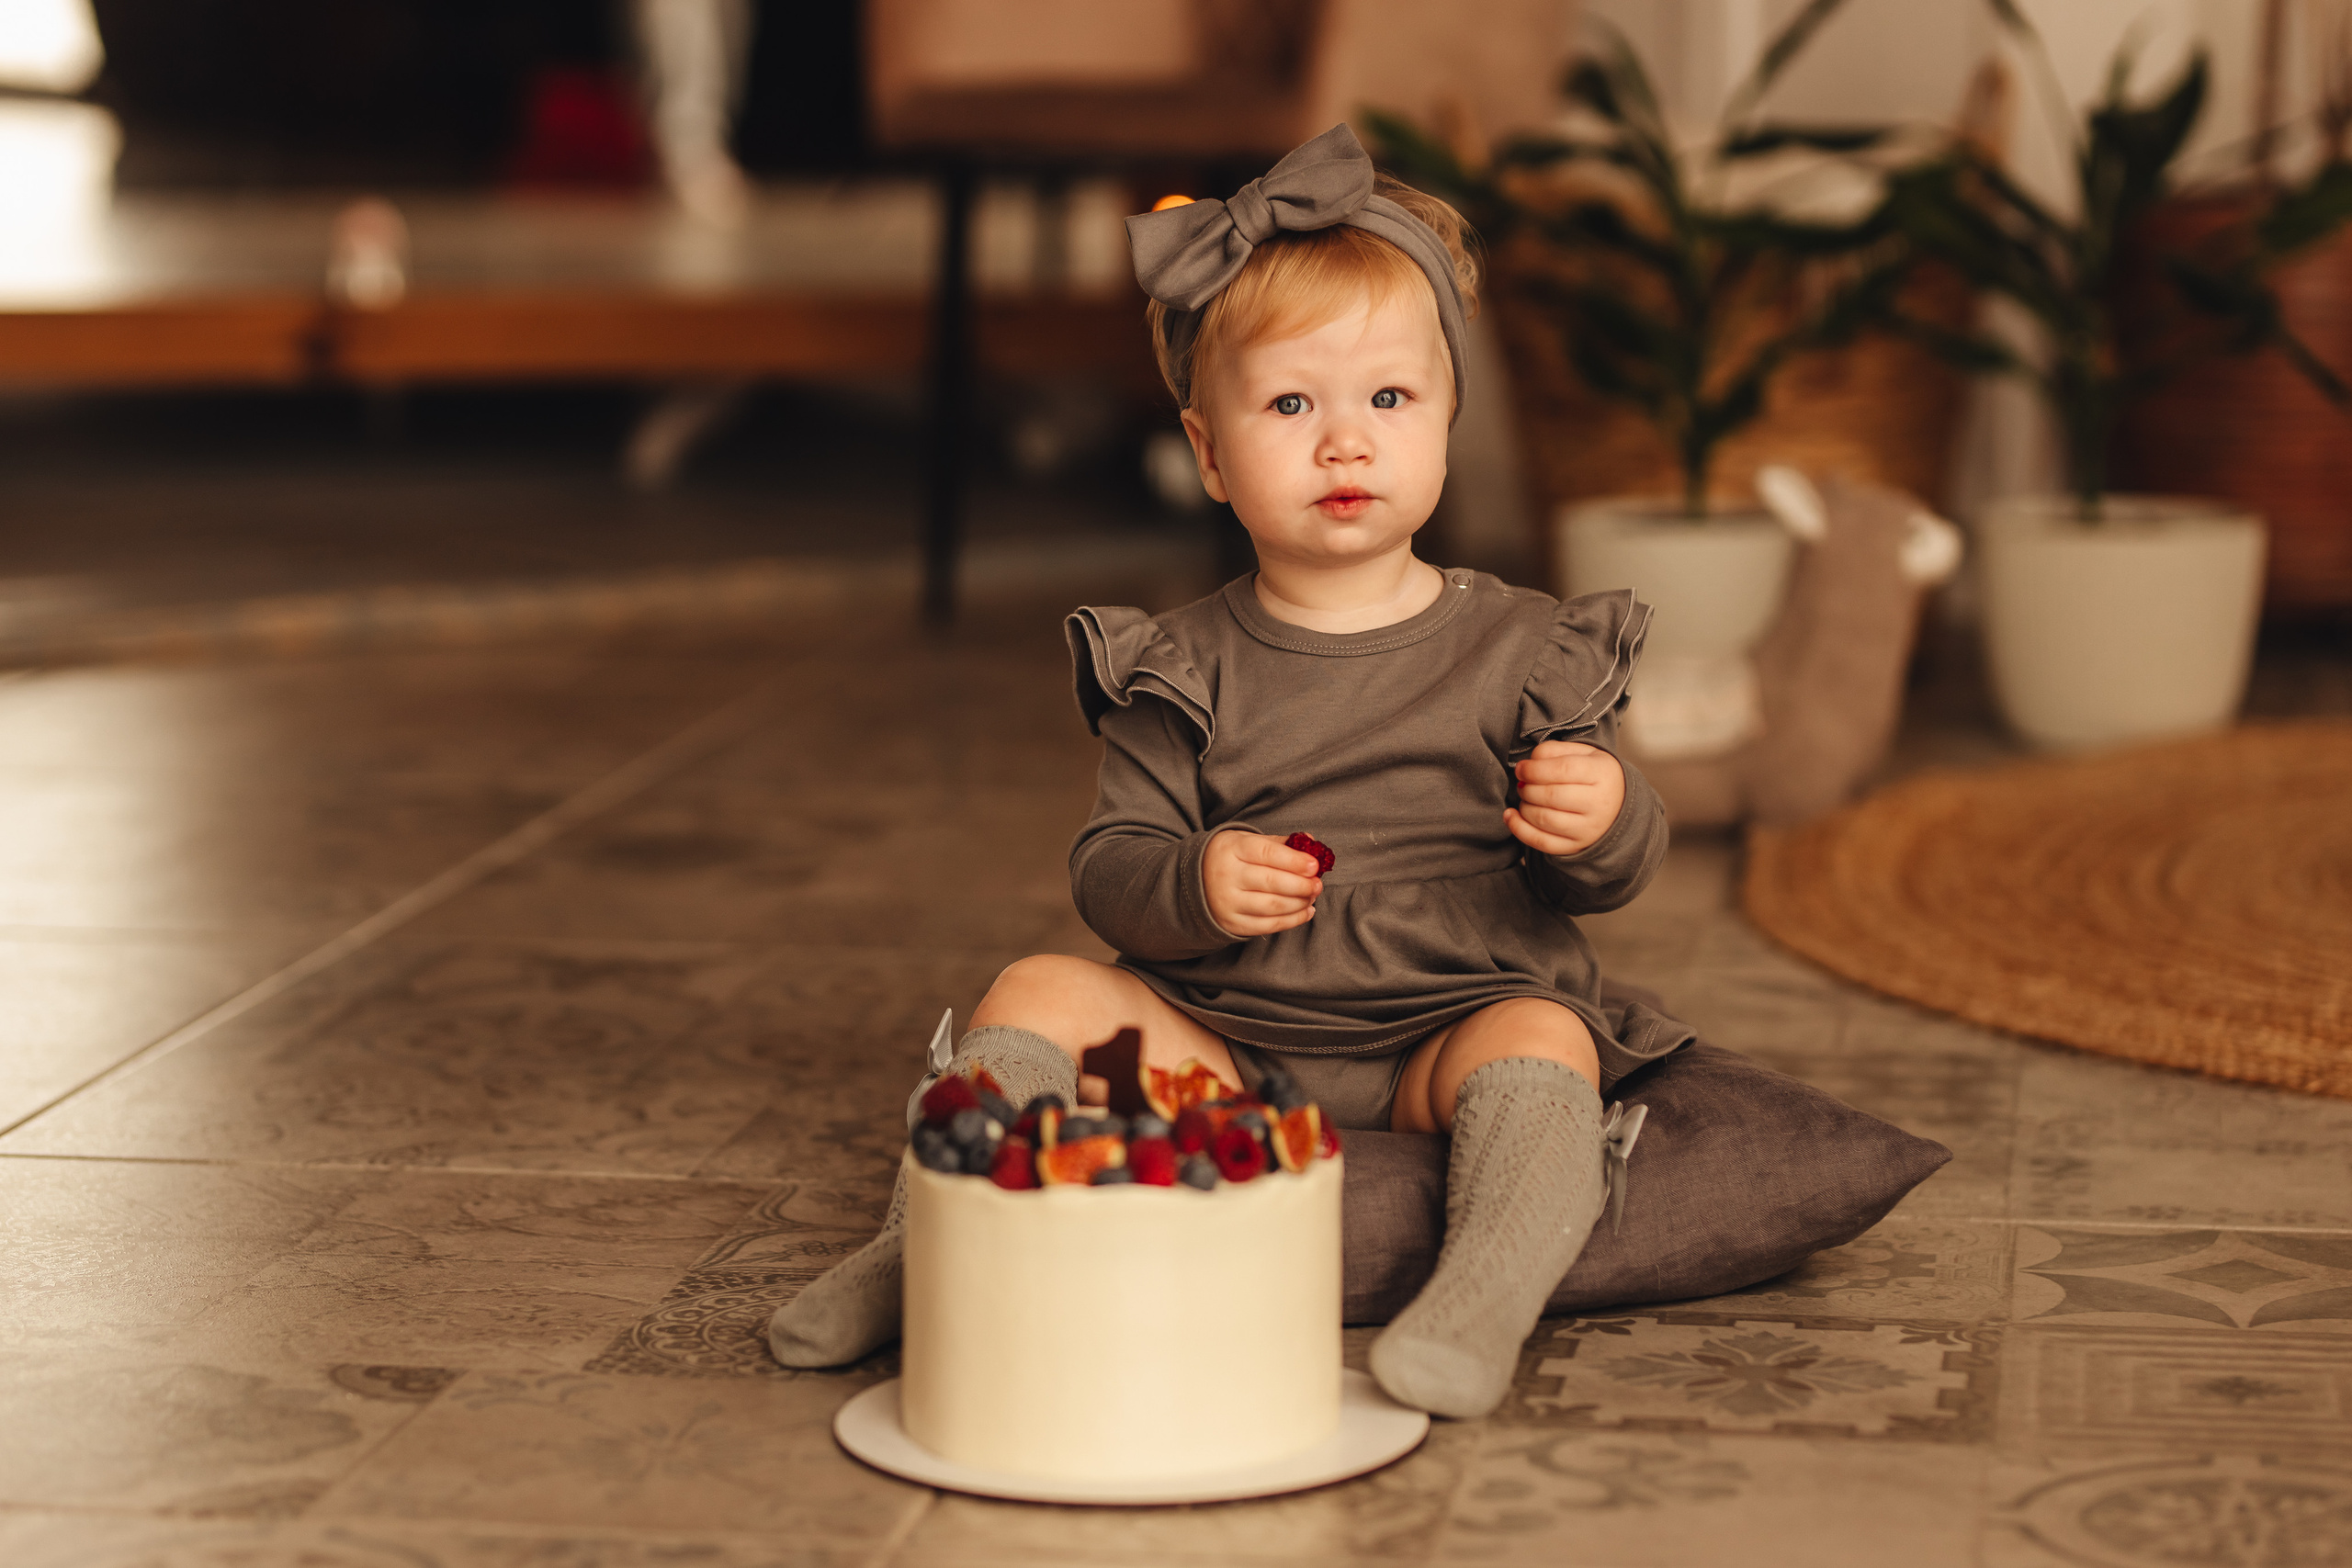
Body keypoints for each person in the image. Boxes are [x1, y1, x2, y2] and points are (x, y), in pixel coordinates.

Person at [769, 124, 1691, 1418]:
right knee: (1035, 985)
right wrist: (1193, 880)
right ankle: (917, 1251)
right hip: (1230, 1049)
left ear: (1445, 421)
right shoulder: (1181, 669)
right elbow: (1111, 874)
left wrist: (1599, 819)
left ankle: (1479, 1304)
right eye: (1290, 405)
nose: (1344, 444)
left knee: (1547, 1037)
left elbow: (1619, 871)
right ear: (1209, 455)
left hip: (1445, 1026)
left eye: (1388, 400)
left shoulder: (1525, 646)